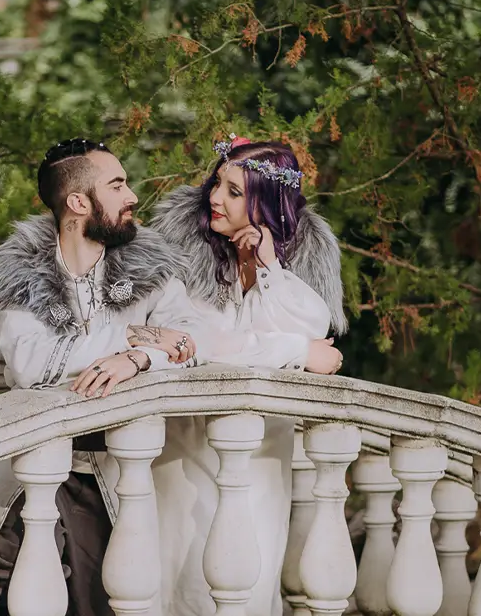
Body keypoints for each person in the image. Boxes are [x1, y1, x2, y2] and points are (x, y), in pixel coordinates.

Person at [0, 138, 206, 616]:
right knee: (13, 592)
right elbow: (32, 364)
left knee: (107, 597)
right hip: (34, 468)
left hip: (118, 470)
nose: (132, 195)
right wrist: (136, 335)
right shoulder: (17, 276)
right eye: (117, 185)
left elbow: (190, 338)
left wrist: (136, 360)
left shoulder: (151, 270)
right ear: (78, 202)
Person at [148, 136, 347, 616]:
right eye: (217, 183)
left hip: (262, 451)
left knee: (252, 579)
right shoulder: (182, 253)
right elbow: (197, 344)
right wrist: (295, 351)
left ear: (266, 203)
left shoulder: (295, 260)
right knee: (185, 579)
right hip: (186, 443)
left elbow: (315, 322)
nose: (215, 197)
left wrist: (269, 266)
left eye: (234, 191)